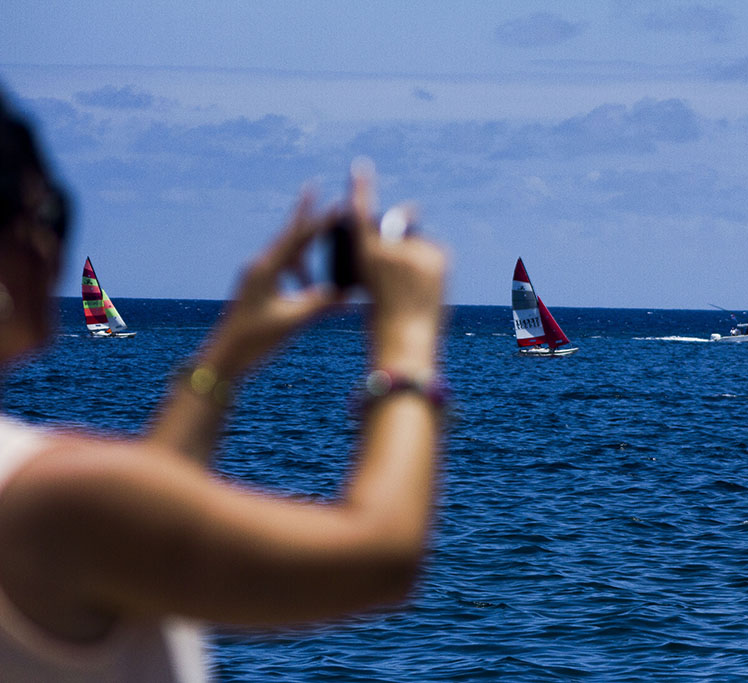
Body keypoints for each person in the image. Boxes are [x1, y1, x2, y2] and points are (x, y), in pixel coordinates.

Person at [0, 92, 446, 680]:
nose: (48, 243)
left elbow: (144, 527)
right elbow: (382, 557)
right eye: (46, 213)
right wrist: (407, 337)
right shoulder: (50, 498)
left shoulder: (56, 501)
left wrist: (227, 357)